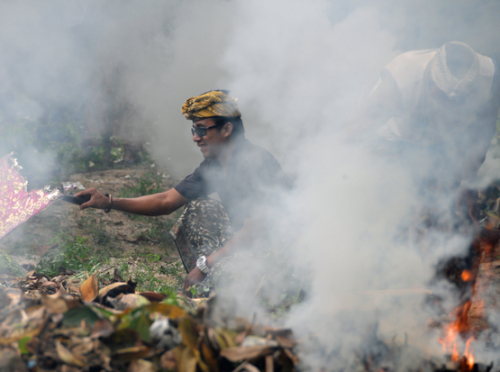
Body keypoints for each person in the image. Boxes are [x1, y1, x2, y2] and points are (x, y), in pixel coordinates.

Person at [76, 90, 291, 294]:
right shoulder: (214, 165)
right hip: (247, 243)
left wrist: (207, 264)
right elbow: (166, 201)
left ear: (226, 129)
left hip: (281, 251)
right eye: (194, 131)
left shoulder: (253, 163)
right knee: (199, 209)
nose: (196, 138)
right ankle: (212, 286)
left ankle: (228, 287)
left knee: (208, 220)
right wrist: (107, 201)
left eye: (201, 130)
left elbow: (255, 232)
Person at [349, 41, 500, 192]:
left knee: (440, 193)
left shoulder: (488, 76)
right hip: (392, 140)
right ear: (430, 81)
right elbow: (353, 133)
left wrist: (467, 183)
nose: (449, 105)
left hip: (436, 140)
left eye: (458, 100)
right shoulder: (399, 85)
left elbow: (483, 130)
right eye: (444, 96)